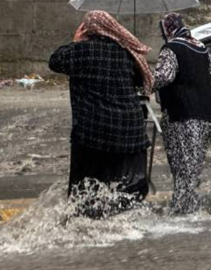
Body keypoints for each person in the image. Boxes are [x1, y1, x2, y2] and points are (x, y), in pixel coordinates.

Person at [49, 10, 153, 218]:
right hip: (129, 133)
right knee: (121, 187)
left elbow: (55, 61)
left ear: (87, 29)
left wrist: (75, 41)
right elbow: (139, 81)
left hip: (93, 133)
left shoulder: (82, 51)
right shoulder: (126, 53)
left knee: (85, 190)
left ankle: (86, 224)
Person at [153, 13, 211, 215]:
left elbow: (164, 76)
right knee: (193, 166)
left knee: (182, 166)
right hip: (205, 115)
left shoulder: (171, 49)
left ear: (167, 29)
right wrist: (198, 89)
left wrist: (146, 81)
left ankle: (181, 211)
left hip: (180, 114)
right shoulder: (200, 47)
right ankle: (189, 208)